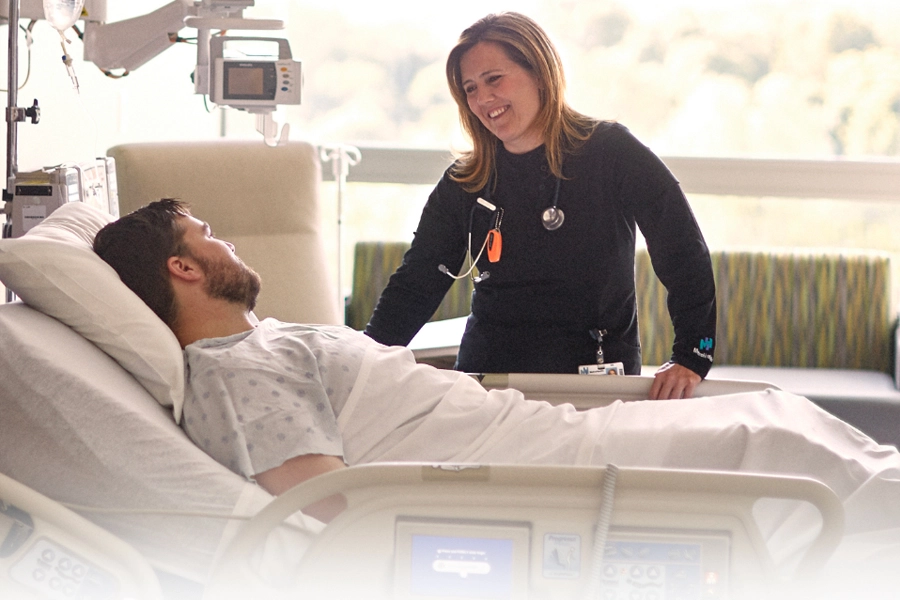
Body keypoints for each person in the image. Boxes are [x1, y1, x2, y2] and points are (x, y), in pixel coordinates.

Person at [93, 199, 900, 582]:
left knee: (777, 419)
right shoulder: (235, 372)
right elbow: (333, 502)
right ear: (184, 270)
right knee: (773, 440)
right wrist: (474, 505)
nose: (227, 239)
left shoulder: (260, 343)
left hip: (529, 436)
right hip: (528, 465)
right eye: (211, 234)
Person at [364, 13, 716, 401]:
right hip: (490, 382)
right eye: (470, 88)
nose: (483, 99)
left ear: (539, 71)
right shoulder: (467, 180)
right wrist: (364, 359)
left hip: (594, 382)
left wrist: (692, 355)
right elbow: (416, 283)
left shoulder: (610, 152)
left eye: (494, 79)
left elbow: (682, 250)